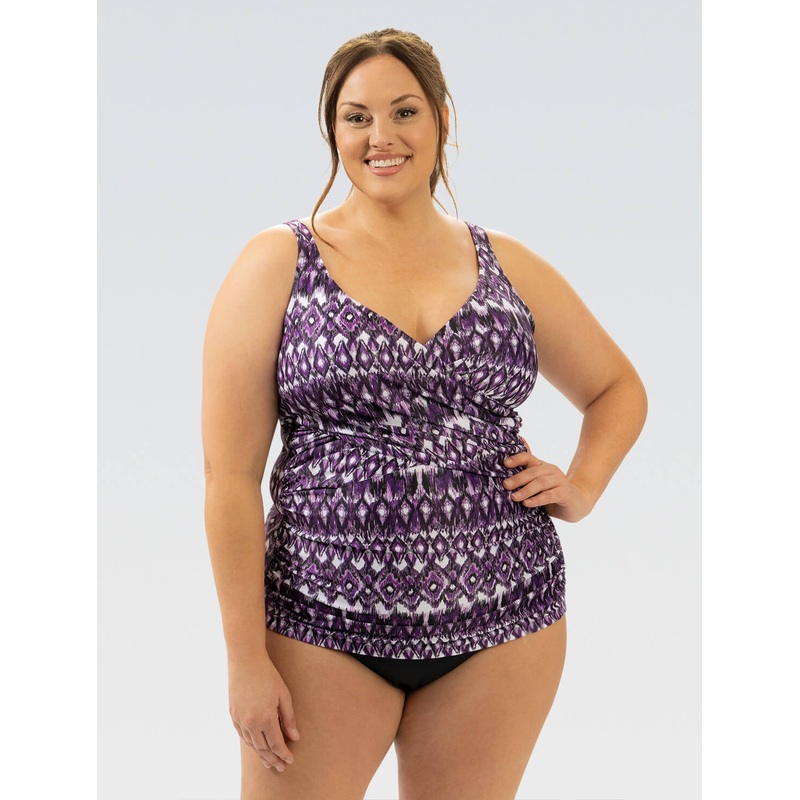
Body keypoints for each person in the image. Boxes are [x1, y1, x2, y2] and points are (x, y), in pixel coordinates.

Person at [202, 27, 647, 800]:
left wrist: (581, 486)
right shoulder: (279, 262)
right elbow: (229, 479)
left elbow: (618, 388)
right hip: (320, 626)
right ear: (332, 131)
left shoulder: (506, 264)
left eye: (404, 112)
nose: (381, 136)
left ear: (441, 119)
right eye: (357, 117)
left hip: (505, 623)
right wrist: (245, 661)